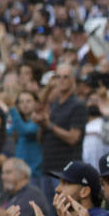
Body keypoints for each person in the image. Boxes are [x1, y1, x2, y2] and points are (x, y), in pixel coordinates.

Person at [33, 63, 87, 200]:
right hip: (48, 168)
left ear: (73, 80)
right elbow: (37, 107)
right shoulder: (55, 104)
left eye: (65, 77)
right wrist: (43, 125)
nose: (61, 80)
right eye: (58, 77)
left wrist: (49, 125)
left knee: (65, 212)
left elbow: (73, 138)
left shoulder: (78, 105)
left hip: (66, 171)